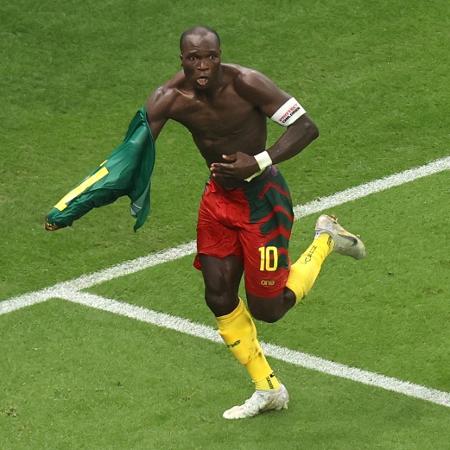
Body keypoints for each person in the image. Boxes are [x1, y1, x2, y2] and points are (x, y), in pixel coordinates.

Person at [146, 26, 365, 420]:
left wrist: (259, 159)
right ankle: (268, 389)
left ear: (219, 54)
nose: (203, 65)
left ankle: (326, 240)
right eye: (194, 58)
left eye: (210, 56)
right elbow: (136, 146)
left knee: (269, 309)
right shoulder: (169, 98)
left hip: (262, 203)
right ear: (181, 59)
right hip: (217, 202)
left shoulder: (247, 83)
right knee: (218, 295)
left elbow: (305, 127)